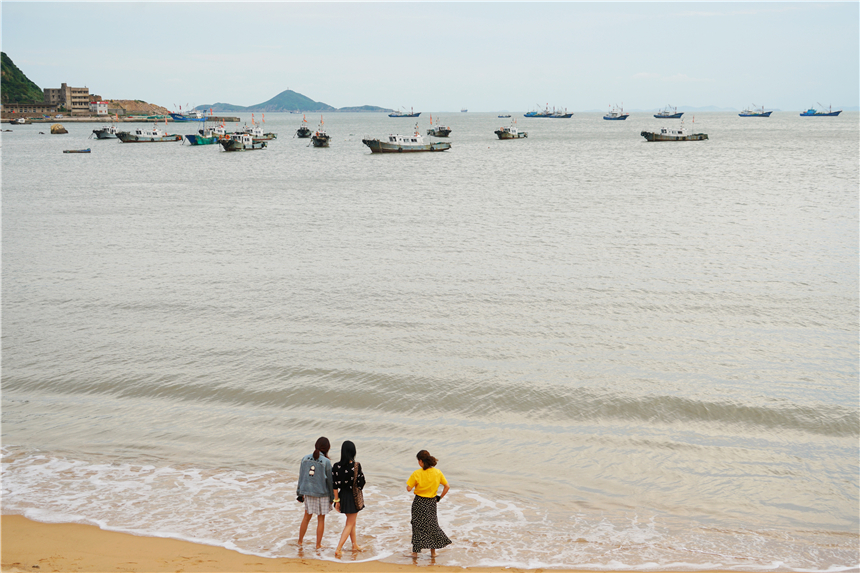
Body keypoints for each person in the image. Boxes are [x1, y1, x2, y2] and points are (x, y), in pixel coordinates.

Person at [406, 450, 451, 557]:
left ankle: (415, 553)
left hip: (419, 503)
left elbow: (408, 488)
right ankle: (433, 552)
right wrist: (439, 498)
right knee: (432, 526)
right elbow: (447, 486)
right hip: (431, 503)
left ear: (421, 461)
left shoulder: (417, 473)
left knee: (417, 526)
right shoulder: (438, 472)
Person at [296, 437, 334, 548]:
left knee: (306, 518)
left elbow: (301, 477)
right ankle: (318, 545)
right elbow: (330, 482)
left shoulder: (305, 458)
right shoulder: (326, 462)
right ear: (327, 448)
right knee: (321, 519)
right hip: (322, 493)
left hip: (308, 492)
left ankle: (300, 541)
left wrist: (299, 493)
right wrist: (332, 498)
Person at [332, 440, 365, 557]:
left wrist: (337, 501)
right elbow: (362, 483)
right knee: (349, 524)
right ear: (353, 452)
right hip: (352, 497)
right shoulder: (356, 466)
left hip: (342, 496)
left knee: (352, 522)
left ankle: (354, 544)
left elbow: (334, 486)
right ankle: (339, 548)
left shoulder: (336, 466)